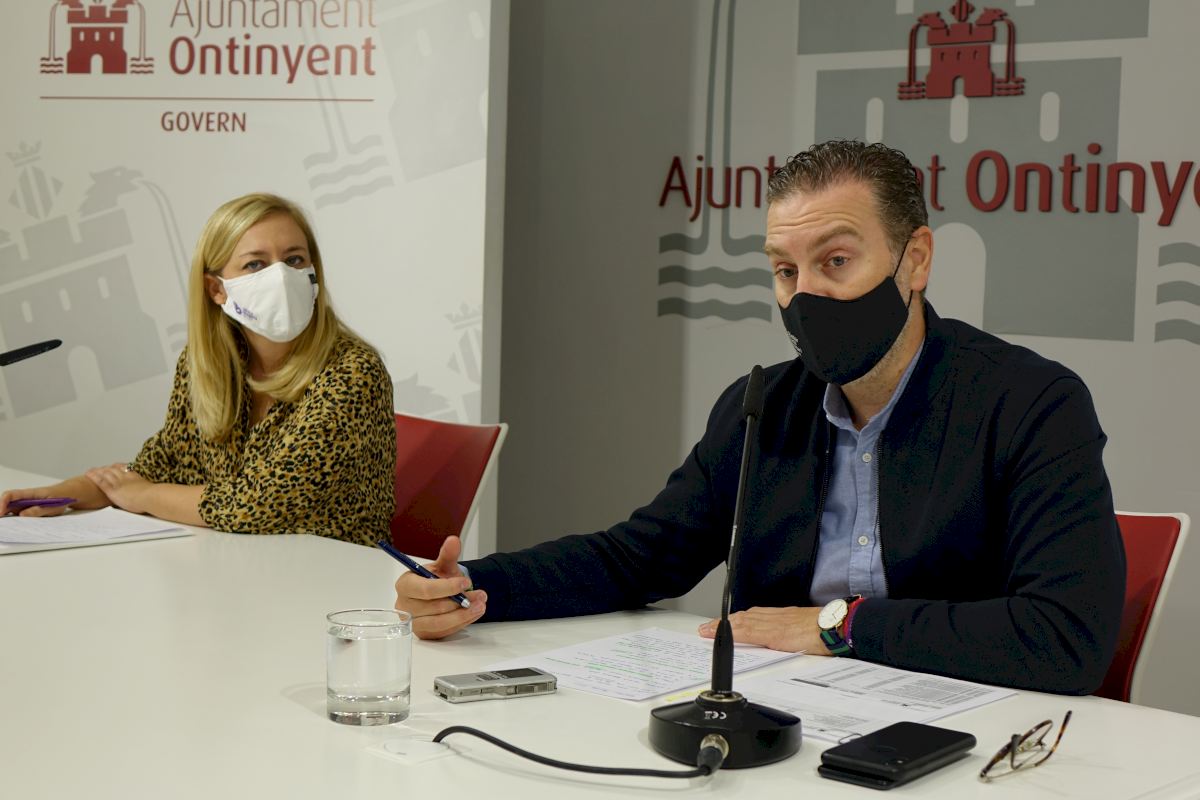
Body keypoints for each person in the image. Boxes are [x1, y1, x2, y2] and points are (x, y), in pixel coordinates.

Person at [394, 140, 1126, 694]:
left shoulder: (1030, 404)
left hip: (963, 734)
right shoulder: (762, 406)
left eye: (835, 261)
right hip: (781, 718)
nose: (805, 296)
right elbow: (637, 558)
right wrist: (472, 589)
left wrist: (838, 626)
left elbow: (1065, 635)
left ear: (915, 260)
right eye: (785, 269)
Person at [1, 193, 396, 547]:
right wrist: (59, 495)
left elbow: (259, 505)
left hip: (335, 576)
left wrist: (144, 496)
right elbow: (160, 464)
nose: (280, 276)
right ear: (216, 289)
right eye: (255, 264)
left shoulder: (353, 372)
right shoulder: (206, 364)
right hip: (233, 567)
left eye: (294, 259)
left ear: (313, 272)